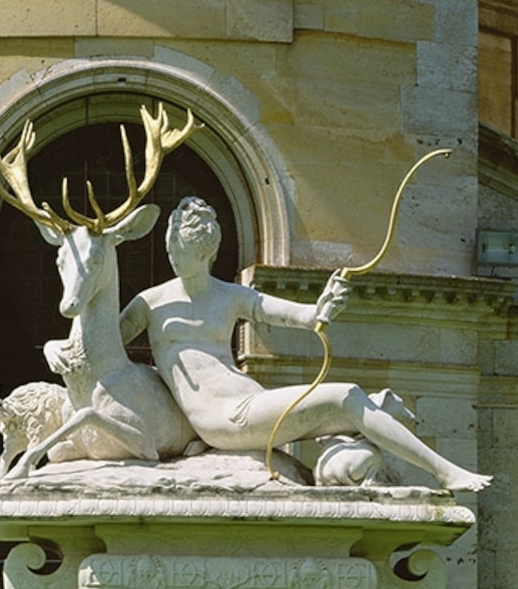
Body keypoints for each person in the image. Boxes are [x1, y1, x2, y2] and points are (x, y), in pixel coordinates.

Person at [119, 194, 487, 494]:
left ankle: (429, 471)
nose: (171, 252)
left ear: (203, 248)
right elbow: (100, 346)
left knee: (349, 405)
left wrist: (322, 306)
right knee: (345, 397)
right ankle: (442, 470)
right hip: (222, 418)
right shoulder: (150, 303)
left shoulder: (229, 296)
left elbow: (298, 316)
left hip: (247, 404)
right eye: (171, 244)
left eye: (179, 244)